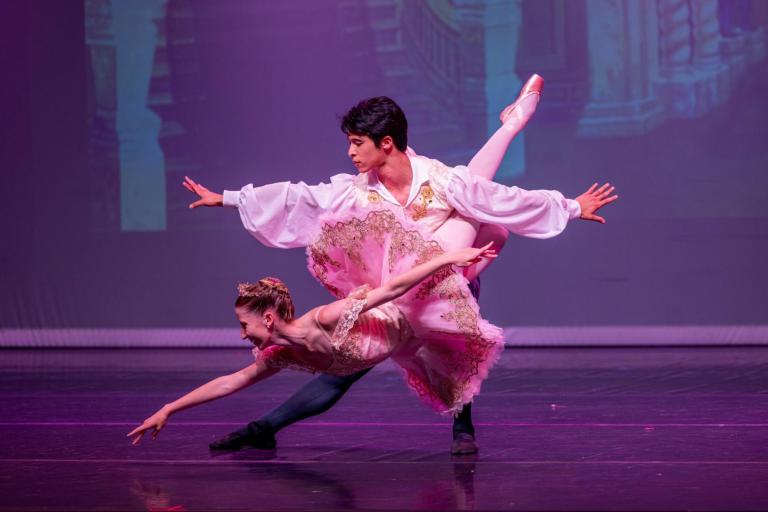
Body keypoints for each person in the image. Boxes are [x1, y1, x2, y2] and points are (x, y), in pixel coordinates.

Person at [181, 77, 618, 454]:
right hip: (393, 291)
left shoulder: (443, 181)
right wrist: (229, 198)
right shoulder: (358, 190)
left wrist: (572, 207)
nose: (350, 152)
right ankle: (265, 428)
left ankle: (462, 426)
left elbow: (503, 200)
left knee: (455, 336)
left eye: (357, 143)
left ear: (385, 143)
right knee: (344, 369)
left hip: (447, 273)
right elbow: (302, 197)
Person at [127, 242, 500, 446]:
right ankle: (263, 431)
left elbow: (392, 289)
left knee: (490, 241)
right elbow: (233, 380)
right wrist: (169, 408)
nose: (243, 335)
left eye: (245, 325)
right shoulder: (281, 352)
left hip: (412, 309)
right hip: (380, 345)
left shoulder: (324, 318)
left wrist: (450, 257)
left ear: (269, 319)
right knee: (338, 379)